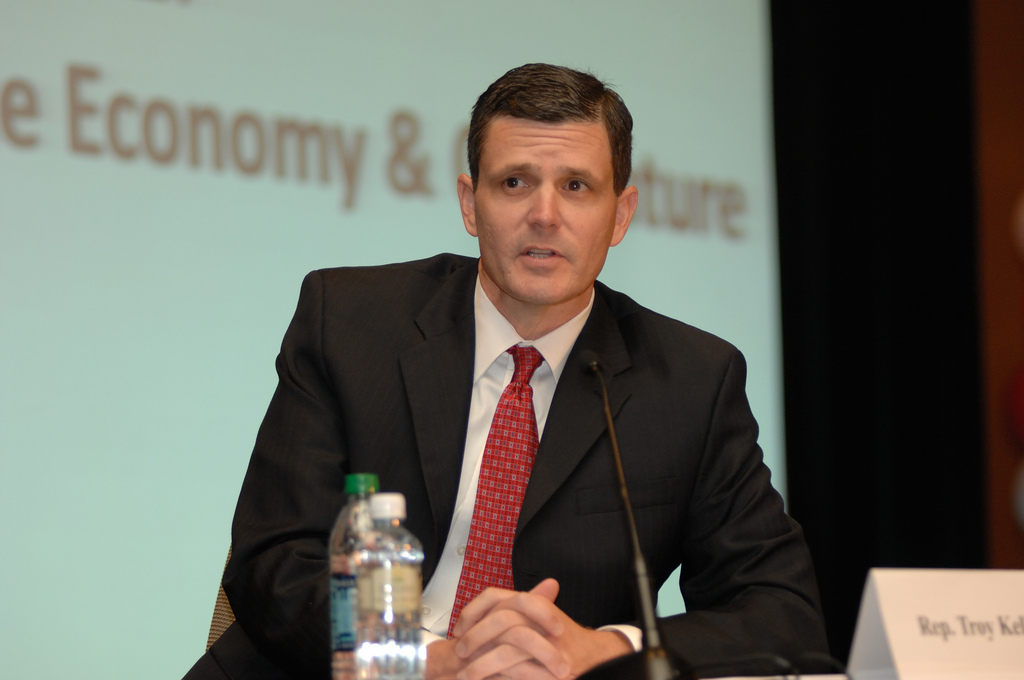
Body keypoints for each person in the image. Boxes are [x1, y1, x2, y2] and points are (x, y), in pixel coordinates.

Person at [184, 63, 828, 680]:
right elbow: (273, 563)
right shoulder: (350, 324)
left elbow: (781, 611)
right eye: (515, 182)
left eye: (576, 186)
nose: (544, 214)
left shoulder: (691, 381)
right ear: (470, 204)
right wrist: (427, 663)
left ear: (621, 215)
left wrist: (604, 651)